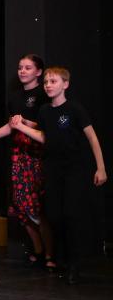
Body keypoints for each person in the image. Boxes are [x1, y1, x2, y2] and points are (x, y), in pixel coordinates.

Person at [10, 66, 106, 284]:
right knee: (54, 215)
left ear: (65, 84)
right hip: (52, 168)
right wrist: (22, 127)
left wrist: (100, 168)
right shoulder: (44, 111)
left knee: (72, 214)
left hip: (75, 169)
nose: (48, 85)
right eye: (46, 82)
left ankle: (74, 264)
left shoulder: (75, 109)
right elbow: (45, 137)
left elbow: (92, 138)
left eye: (53, 81)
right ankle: (61, 259)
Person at [0, 54, 54, 269]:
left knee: (38, 207)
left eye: (28, 68)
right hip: (19, 156)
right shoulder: (15, 98)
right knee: (21, 207)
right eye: (20, 67)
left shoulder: (44, 94)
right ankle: (38, 249)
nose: (22, 71)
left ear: (38, 72)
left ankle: (50, 254)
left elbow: (46, 126)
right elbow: (10, 126)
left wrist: (26, 123)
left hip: (37, 155)